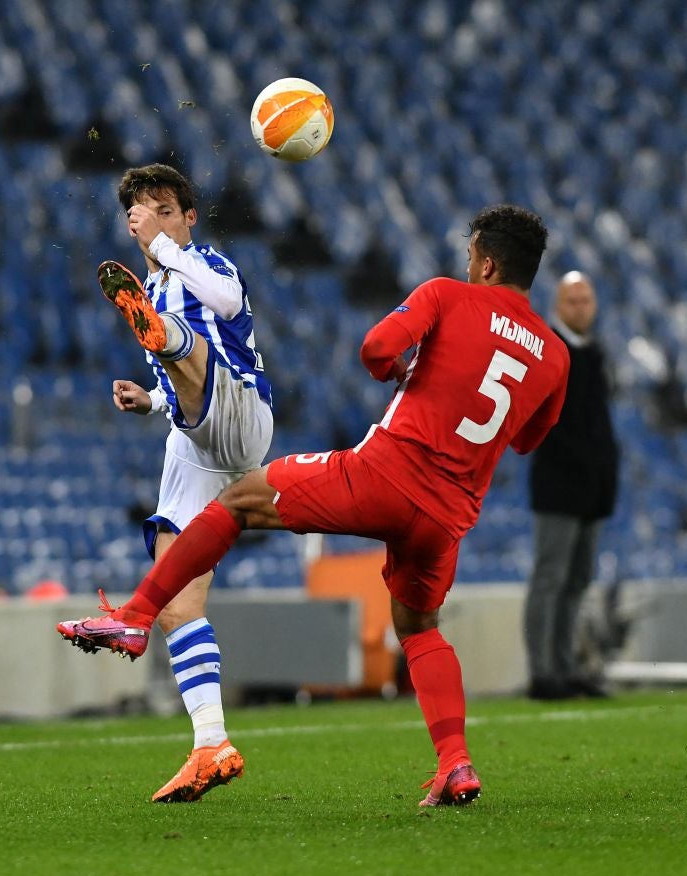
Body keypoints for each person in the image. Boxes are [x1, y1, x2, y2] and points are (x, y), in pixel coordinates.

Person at [59, 204, 569, 808]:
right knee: (419, 629)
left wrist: (400, 369)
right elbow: (529, 438)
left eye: (469, 258)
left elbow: (376, 349)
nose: (465, 266)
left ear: (485, 262)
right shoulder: (556, 355)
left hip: (384, 475)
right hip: (447, 517)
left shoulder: (448, 295)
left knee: (242, 499)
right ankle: (456, 765)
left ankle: (138, 616)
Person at [70, 163, 274, 802]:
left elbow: (228, 304)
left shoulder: (209, 263)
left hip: (242, 414)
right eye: (141, 211)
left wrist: (160, 248)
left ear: (189, 216)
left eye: (165, 209)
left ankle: (167, 347)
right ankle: (211, 744)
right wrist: (151, 401)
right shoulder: (155, 288)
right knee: (177, 604)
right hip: (193, 436)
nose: (151, 219)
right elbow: (175, 387)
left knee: (181, 343)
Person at [522, 271, 618, 700]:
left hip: (591, 487)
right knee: (551, 578)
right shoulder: (548, 350)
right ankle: (543, 671)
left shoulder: (593, 353)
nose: (580, 308)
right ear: (558, 306)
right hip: (559, 485)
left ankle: (564, 665)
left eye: (585, 300)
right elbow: (544, 426)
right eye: (572, 301)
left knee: (576, 579)